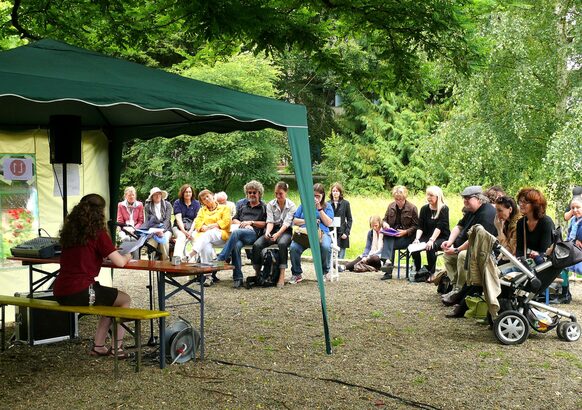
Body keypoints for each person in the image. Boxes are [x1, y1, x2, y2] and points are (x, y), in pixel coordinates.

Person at [53, 194, 132, 358]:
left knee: (109, 299)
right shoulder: (98, 233)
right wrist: (128, 256)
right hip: (81, 291)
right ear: (100, 213)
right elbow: (120, 262)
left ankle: (99, 346)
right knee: (124, 300)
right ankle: (117, 348)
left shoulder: (69, 232)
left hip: (60, 290)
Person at [440, 186, 497, 302]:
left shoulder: (486, 214)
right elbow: (459, 226)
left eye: (468, 198)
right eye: (463, 198)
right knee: (447, 255)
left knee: (462, 255)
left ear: (479, 199)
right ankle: (455, 287)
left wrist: (457, 250)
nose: (465, 201)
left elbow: (475, 240)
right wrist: (449, 242)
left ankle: (460, 291)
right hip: (469, 247)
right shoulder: (472, 210)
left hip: (483, 253)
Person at [216, 181, 267, 288]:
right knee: (236, 245)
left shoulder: (264, 206)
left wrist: (251, 223)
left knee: (236, 232)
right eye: (249, 192)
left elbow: (266, 223)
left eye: (254, 192)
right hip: (239, 233)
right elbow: (234, 219)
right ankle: (238, 278)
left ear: (259, 193)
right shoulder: (241, 204)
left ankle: (222, 258)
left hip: (254, 234)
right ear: (246, 193)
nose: (252, 195)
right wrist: (242, 224)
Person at [251, 181, 297, 287]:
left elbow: (287, 223)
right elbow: (270, 221)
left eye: (280, 193)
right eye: (276, 193)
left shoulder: (291, 205)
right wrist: (267, 232)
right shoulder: (271, 204)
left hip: (285, 231)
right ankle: (257, 272)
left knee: (282, 244)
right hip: (272, 229)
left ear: (286, 192)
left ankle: (282, 274)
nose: (278, 196)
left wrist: (277, 234)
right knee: (257, 245)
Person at [289, 183, 334, 283]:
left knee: (326, 246)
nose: (315, 198)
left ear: (322, 196)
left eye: (318, 196)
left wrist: (319, 208)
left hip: (321, 233)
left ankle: (324, 272)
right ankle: (297, 274)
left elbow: (328, 223)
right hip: (305, 233)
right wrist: (308, 221)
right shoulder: (304, 205)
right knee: (294, 247)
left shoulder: (327, 206)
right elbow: (295, 221)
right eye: (313, 195)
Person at [187, 189, 231, 285]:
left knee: (208, 234)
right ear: (202, 202)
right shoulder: (202, 210)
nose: (206, 199)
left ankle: (191, 254)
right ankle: (208, 277)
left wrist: (212, 226)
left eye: (208, 196)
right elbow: (198, 222)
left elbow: (226, 222)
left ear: (212, 196)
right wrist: (203, 228)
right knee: (205, 245)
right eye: (203, 199)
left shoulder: (224, 208)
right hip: (206, 237)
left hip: (221, 236)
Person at [380, 186, 419, 280]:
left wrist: (405, 232)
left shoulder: (412, 208)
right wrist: (385, 224)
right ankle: (388, 264)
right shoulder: (391, 206)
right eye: (396, 199)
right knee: (388, 238)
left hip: (407, 237)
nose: (398, 201)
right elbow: (384, 219)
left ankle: (387, 265)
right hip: (393, 234)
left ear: (405, 197)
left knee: (389, 242)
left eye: (400, 199)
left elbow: (416, 226)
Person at [411, 186, 450, 281]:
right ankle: (419, 270)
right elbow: (420, 226)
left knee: (430, 247)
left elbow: (440, 227)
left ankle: (431, 273)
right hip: (427, 235)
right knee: (414, 247)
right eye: (427, 195)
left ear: (438, 196)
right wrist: (417, 239)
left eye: (431, 195)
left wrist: (431, 240)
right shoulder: (424, 209)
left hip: (441, 236)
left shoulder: (444, 208)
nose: (428, 197)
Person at [515, 188, 554, 265]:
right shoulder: (521, 223)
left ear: (535, 205)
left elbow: (545, 251)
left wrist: (537, 254)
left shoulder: (546, 222)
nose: (521, 204)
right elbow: (520, 249)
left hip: (547, 264)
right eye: (520, 201)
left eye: (525, 202)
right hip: (530, 264)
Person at [143, 187, 173, 260]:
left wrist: (162, 231)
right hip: (153, 230)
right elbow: (147, 222)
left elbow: (167, 220)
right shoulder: (148, 207)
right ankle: (152, 263)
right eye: (155, 194)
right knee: (150, 244)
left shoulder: (167, 205)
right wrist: (155, 231)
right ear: (152, 197)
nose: (158, 196)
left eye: (159, 194)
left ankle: (165, 263)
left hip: (166, 229)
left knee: (163, 241)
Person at [172, 184, 200, 260]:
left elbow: (196, 219)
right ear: (182, 193)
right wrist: (184, 231)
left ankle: (196, 260)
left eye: (189, 192)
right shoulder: (177, 203)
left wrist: (190, 231)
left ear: (192, 193)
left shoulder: (196, 203)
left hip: (192, 228)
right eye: (186, 192)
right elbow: (178, 219)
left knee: (195, 238)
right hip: (178, 228)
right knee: (181, 237)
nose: (188, 194)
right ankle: (177, 260)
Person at [116, 186, 144, 259]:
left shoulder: (139, 205)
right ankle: (124, 258)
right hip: (124, 229)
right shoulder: (121, 205)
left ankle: (136, 260)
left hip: (135, 229)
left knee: (134, 239)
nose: (131, 197)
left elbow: (141, 221)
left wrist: (134, 229)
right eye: (129, 195)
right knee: (126, 239)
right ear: (125, 196)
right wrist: (125, 229)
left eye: (133, 195)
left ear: (135, 195)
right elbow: (120, 221)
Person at [329, 182, 353, 260]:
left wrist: (346, 232)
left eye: (337, 191)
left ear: (340, 192)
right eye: (333, 191)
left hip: (342, 232)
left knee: (341, 257)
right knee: (331, 254)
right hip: (331, 232)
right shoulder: (327, 204)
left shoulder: (346, 203)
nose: (335, 193)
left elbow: (349, 219)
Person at [494, 196, 520, 261]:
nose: (497, 214)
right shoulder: (506, 222)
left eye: (500, 211)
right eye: (496, 210)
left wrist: (499, 231)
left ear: (510, 209)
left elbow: (510, 251)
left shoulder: (518, 225)